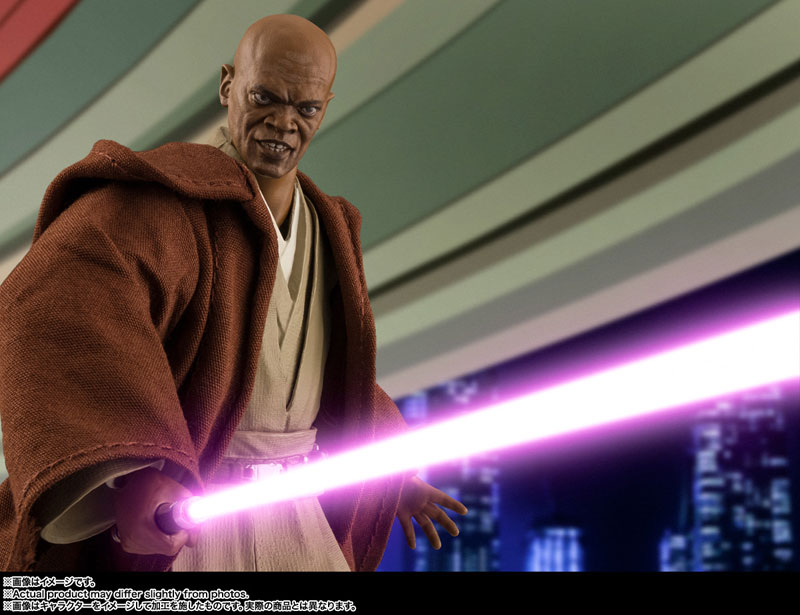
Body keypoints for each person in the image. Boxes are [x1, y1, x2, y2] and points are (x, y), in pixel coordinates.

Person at [0, 14, 465, 572]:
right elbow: (52, 303)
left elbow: (334, 374)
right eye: (264, 98)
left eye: (305, 108)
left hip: (295, 512)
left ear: (326, 107)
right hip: (195, 510)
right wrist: (133, 473)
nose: (283, 123)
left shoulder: (330, 227)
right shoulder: (162, 202)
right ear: (227, 85)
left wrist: (394, 473)